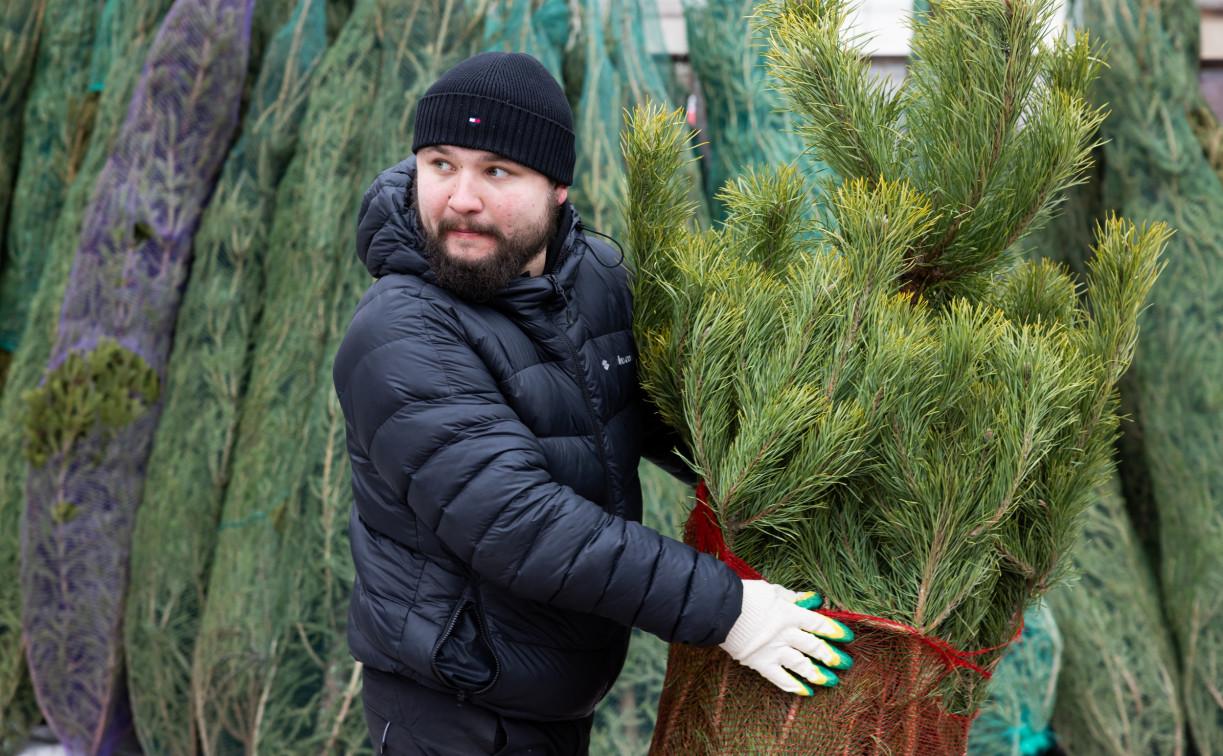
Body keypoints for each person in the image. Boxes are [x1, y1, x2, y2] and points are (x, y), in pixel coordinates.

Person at [333, 51, 853, 755]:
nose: (459, 197)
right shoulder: (401, 329)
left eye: (496, 170)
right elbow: (518, 523)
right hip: (454, 709)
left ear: (557, 187)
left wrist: (818, 451)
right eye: (440, 163)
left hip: (555, 694)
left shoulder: (595, 280)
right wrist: (728, 610)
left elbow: (667, 419)